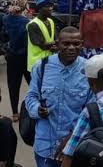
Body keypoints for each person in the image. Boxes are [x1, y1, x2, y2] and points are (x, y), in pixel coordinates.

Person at [25, 27, 92, 167]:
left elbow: (91, 110)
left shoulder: (88, 70)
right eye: (66, 44)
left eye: (76, 44)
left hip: (75, 151)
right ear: (57, 44)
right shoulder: (41, 67)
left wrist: (71, 139)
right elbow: (31, 97)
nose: (71, 48)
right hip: (45, 148)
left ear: (82, 44)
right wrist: (38, 109)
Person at [2, 0, 31, 121]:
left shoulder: (6, 19)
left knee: (13, 84)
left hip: (12, 56)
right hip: (25, 57)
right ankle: (34, 108)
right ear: (25, 5)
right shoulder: (27, 22)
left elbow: (3, 36)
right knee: (32, 83)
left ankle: (15, 113)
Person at [27, 0, 57, 72]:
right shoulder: (33, 25)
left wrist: (57, 44)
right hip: (37, 63)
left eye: (51, 6)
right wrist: (58, 42)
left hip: (49, 62)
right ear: (40, 8)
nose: (50, 8)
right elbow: (43, 46)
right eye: (47, 6)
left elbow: (54, 38)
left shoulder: (51, 21)